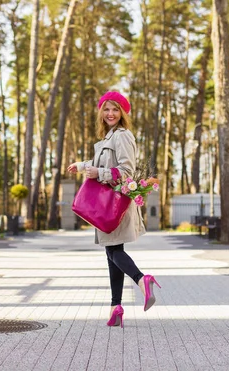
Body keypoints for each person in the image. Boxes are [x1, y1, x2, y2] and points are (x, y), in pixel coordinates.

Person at [67, 91, 161, 328]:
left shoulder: (123, 135)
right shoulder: (109, 137)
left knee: (113, 252)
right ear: (101, 112)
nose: (110, 114)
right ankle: (115, 307)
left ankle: (142, 280)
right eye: (107, 109)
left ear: (122, 113)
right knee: (112, 254)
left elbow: (126, 171)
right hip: (106, 205)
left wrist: (99, 173)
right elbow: (102, 163)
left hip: (113, 205)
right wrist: (82, 166)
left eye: (115, 109)